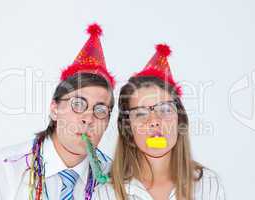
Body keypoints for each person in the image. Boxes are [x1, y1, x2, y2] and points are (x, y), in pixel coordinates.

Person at [0, 23, 116, 200]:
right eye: (78, 104)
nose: (88, 118)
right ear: (55, 109)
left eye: (100, 110)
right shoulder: (3, 169)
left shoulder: (117, 180)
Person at [93, 44, 225, 200]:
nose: (154, 121)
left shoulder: (207, 184)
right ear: (128, 129)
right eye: (141, 113)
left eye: (164, 109)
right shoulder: (106, 194)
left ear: (180, 121)